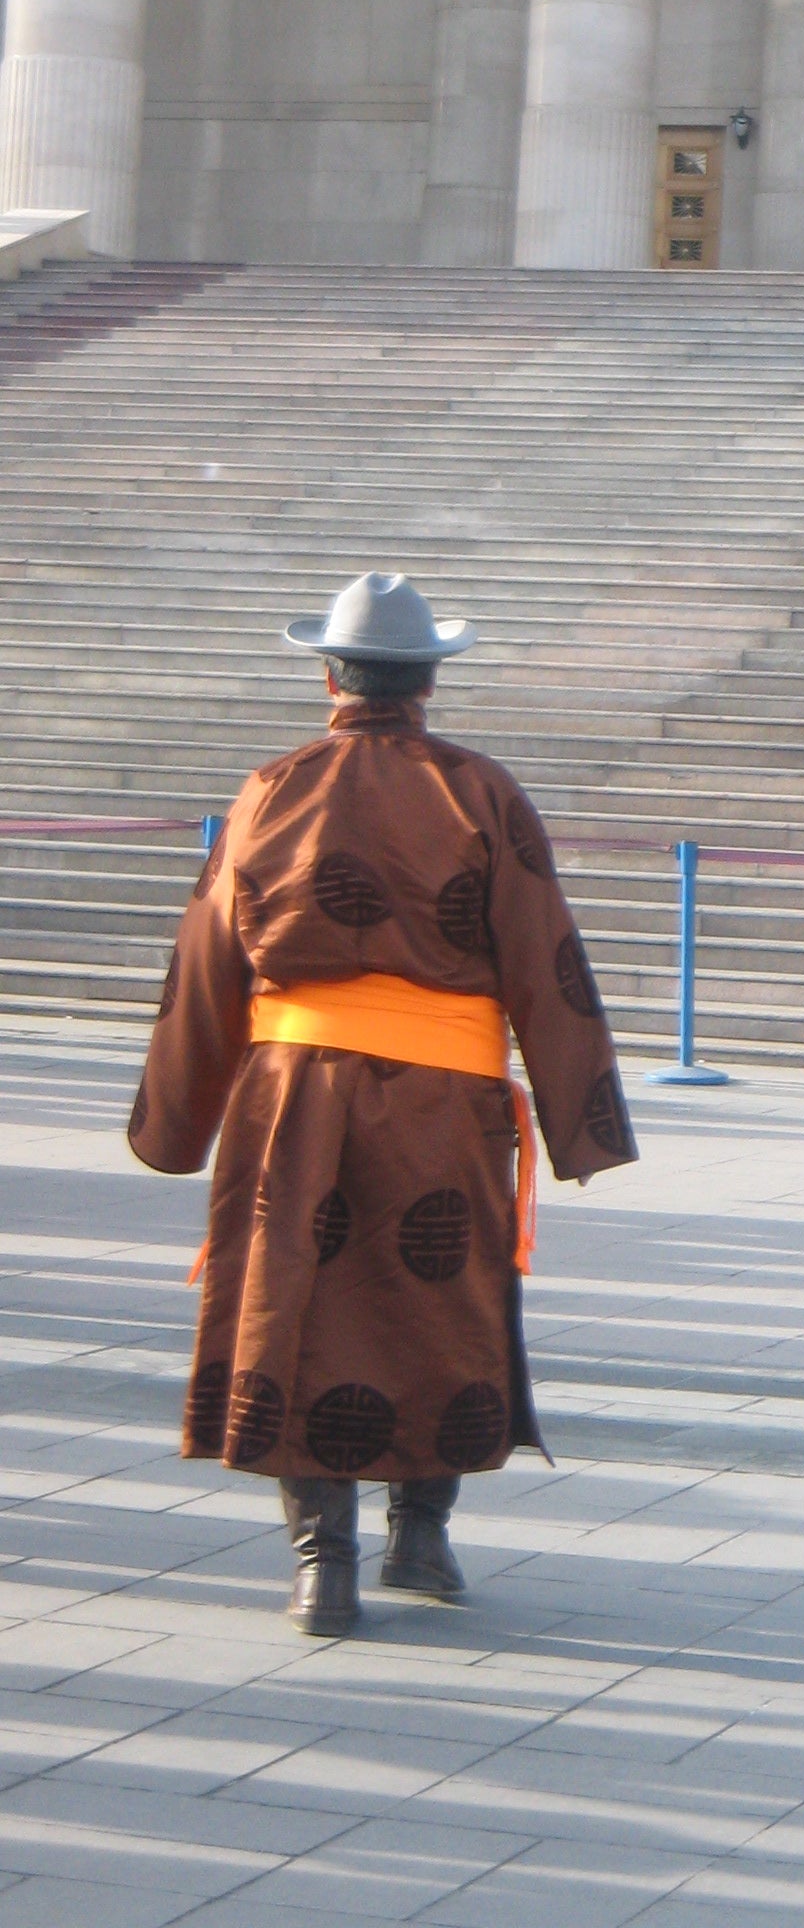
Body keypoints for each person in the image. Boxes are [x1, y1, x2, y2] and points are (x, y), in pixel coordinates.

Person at [128, 571, 636, 1636]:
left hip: (293, 1093)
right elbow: (544, 954)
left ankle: (323, 1567)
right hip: (444, 1100)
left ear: (330, 679)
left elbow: (208, 958)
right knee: (436, 1303)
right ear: (427, 684)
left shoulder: (271, 788)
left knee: (295, 1305)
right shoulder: (480, 790)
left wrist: (175, 1121)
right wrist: (580, 1123)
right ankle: (423, 1539)